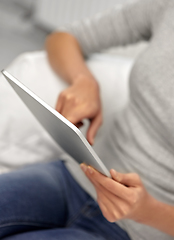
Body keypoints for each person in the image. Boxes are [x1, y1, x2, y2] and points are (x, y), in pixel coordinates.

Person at [0, 0, 174, 239]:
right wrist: (84, 81)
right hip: (76, 175)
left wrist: (147, 211)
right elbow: (65, 37)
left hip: (137, 229)